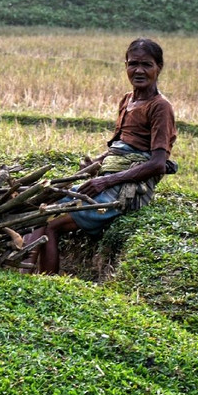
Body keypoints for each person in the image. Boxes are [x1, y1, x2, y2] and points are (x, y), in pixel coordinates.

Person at [27, 37, 176, 274]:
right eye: (133, 64)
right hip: (111, 176)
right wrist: (97, 163)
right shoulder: (128, 100)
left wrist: (105, 180)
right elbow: (121, 146)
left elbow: (157, 164)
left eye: (146, 65)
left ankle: (46, 282)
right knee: (42, 211)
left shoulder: (160, 107)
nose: (138, 70)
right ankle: (23, 270)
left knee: (52, 225)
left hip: (127, 188)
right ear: (125, 65)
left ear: (159, 67)